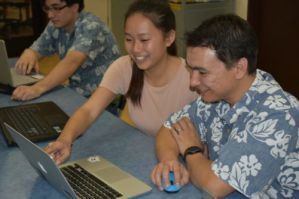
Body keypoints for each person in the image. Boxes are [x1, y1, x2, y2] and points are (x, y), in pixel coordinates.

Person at [151, 14, 299, 198]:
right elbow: (168, 129)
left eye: (202, 72)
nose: (193, 82)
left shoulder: (277, 114)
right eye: (191, 69)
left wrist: (192, 151)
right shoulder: (217, 95)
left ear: (239, 68)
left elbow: (215, 186)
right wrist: (169, 161)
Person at [45, 0, 197, 165]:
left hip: (185, 162)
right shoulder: (124, 67)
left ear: (169, 38)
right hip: (149, 157)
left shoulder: (193, 78)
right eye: (129, 39)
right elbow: (89, 110)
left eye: (144, 40)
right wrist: (65, 140)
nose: (135, 49)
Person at [11, 0, 120, 100]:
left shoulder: (92, 26)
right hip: (77, 92)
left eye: (57, 8)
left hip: (103, 100)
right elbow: (37, 49)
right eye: (47, 9)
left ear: (74, 6)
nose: (50, 15)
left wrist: (37, 89)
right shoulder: (56, 24)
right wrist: (30, 52)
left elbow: (72, 61)